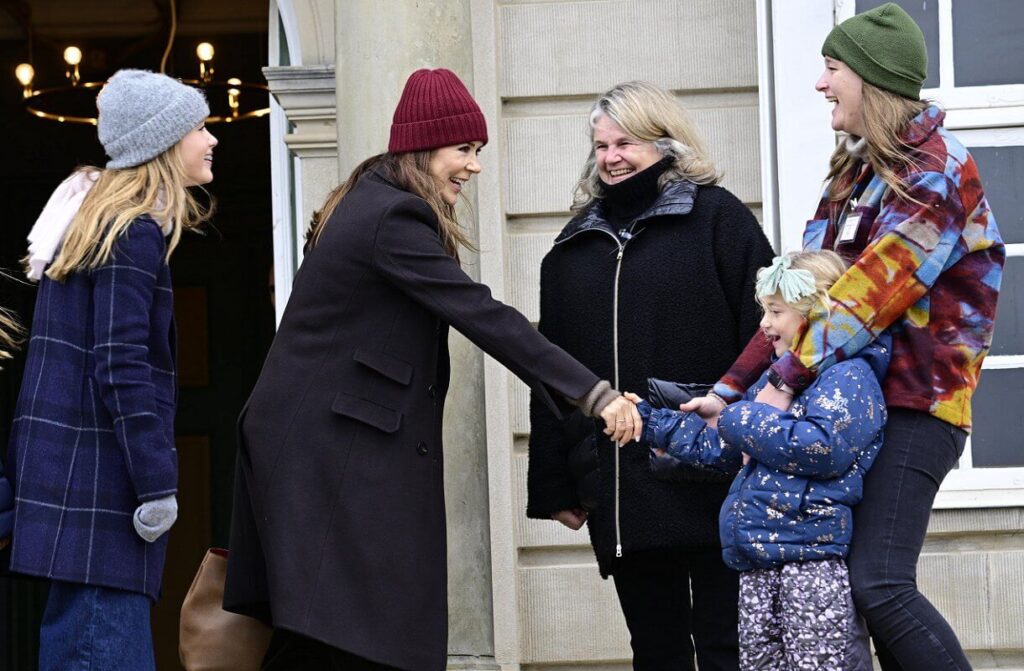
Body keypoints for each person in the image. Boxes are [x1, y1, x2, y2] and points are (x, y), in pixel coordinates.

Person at [222, 68, 641, 671]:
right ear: (424, 147)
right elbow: (482, 314)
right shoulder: (392, 217)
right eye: (463, 150)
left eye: (478, 151)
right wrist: (595, 395)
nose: (473, 166)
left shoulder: (373, 200)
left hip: (330, 448)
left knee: (338, 633)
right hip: (329, 454)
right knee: (345, 636)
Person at [686, 5, 1004, 669]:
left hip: (918, 408)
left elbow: (865, 300)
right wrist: (730, 390)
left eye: (833, 68)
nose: (821, 82)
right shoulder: (852, 173)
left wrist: (776, 387)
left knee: (878, 582)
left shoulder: (935, 173)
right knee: (852, 592)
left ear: (872, 79)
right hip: (846, 406)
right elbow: (801, 299)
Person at [525, 80, 774, 670]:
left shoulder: (721, 220)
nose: (610, 158)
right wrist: (555, 482)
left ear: (666, 143)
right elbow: (550, 371)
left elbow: (771, 336)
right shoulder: (570, 249)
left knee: (726, 648)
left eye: (626, 143)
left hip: (717, 475)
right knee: (656, 651)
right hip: (622, 483)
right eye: (601, 145)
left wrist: (758, 434)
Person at [5, 69, 216, 670]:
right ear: (164, 143)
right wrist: (157, 482)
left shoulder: (92, 226)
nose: (212, 139)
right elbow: (122, 364)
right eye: (199, 127)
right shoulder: (132, 232)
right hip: (103, 495)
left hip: (73, 487)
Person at [631, 250, 886, 670]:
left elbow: (821, 448)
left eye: (775, 311)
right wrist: (649, 421)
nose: (764, 324)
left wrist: (736, 414)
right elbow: (723, 447)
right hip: (757, 563)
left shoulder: (849, 377)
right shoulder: (776, 385)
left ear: (817, 311)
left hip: (812, 564)